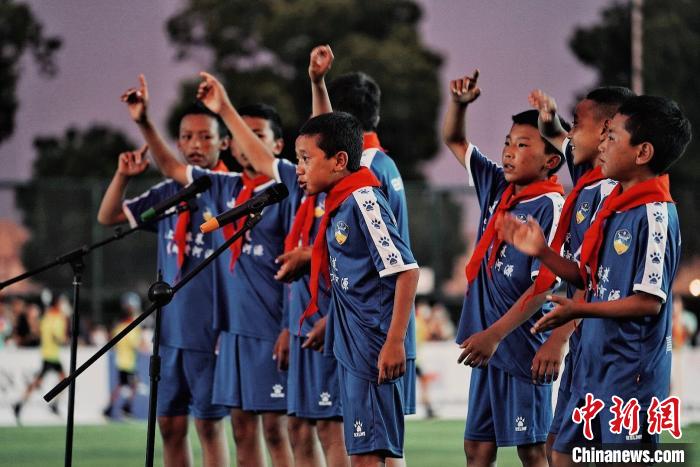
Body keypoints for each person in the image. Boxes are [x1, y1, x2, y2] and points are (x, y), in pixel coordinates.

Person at [498, 95, 691, 465]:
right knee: (561, 455)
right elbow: (588, 276)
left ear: (643, 152)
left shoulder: (656, 215)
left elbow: (649, 302)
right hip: (593, 365)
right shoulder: (614, 204)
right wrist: (542, 251)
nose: (603, 144)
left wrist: (578, 310)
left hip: (630, 377)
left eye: (612, 137)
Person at [123, 73, 298, 466]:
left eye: (256, 136)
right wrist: (144, 121)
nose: (245, 144)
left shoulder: (287, 189)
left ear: (277, 146)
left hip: (272, 328)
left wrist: (290, 324)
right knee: (242, 431)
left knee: (279, 430)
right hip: (233, 333)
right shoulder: (223, 186)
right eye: (240, 136)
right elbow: (172, 166)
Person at [195, 62, 349, 466]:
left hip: (326, 322)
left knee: (328, 429)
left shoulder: (345, 194)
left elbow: (384, 268)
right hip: (300, 323)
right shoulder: (296, 186)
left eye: (306, 157)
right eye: (298, 158)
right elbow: (265, 156)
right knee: (298, 428)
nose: (300, 166)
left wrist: (316, 82)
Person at [98, 90, 230, 467]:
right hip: (169, 335)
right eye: (187, 137)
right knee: (170, 427)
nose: (195, 144)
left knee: (209, 428)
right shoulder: (171, 192)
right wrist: (123, 176)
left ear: (224, 143)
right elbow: (108, 217)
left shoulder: (230, 190)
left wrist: (143, 121)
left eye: (205, 136)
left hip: (212, 334)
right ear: (178, 144)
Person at [442, 70, 566, 467]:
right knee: (477, 450)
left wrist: (494, 336)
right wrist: (459, 105)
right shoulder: (498, 187)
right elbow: (455, 139)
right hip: (487, 346)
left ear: (551, 160)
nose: (509, 152)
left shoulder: (552, 206)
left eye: (522, 145)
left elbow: (543, 288)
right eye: (507, 143)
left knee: (532, 450)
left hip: (521, 346)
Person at [309, 48, 419, 466]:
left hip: (376, 334)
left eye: (305, 158)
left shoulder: (363, 183)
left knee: (372, 451)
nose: (299, 167)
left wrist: (393, 340)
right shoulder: (376, 168)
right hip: (359, 332)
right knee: (373, 449)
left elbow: (402, 268)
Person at [528, 86, 634, 463]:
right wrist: (548, 119)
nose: (569, 134)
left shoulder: (618, 194)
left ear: (606, 130)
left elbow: (597, 279)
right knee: (557, 448)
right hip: (585, 343)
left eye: (576, 124)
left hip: (609, 350)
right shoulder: (588, 176)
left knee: (579, 453)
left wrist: (557, 339)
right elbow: (562, 139)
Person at [13, 293, 67, 424]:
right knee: (62, 381)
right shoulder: (57, 318)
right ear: (57, 303)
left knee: (59, 380)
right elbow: (58, 337)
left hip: (48, 354)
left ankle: (21, 404)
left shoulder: (46, 317)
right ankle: (20, 404)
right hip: (51, 355)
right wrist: (63, 339)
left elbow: (38, 331)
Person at [103, 292, 143, 419]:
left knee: (124, 385)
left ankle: (115, 408)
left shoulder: (119, 326)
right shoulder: (130, 327)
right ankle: (123, 408)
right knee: (130, 384)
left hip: (124, 361)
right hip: (127, 362)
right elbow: (135, 343)